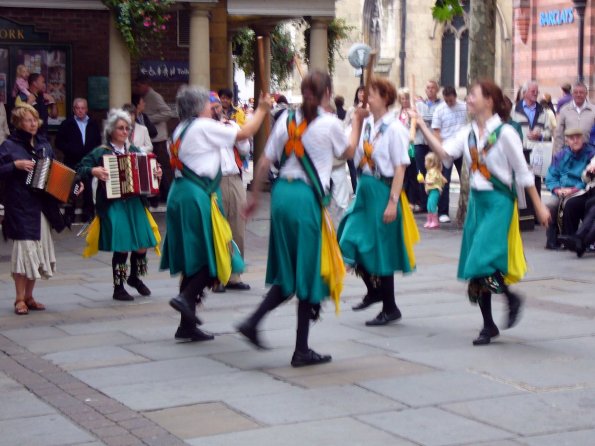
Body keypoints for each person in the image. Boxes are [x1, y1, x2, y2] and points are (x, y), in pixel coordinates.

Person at [236, 70, 363, 366]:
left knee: (292, 271)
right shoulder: (330, 124)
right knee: (306, 270)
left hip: (281, 197)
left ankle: (256, 323)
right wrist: (356, 121)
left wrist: (254, 196)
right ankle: (299, 348)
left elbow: (265, 161)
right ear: (327, 94)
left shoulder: (286, 120)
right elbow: (347, 152)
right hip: (306, 199)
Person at [412, 80, 551, 346]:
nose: (469, 98)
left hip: (498, 203)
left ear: (489, 100)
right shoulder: (468, 133)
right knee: (476, 268)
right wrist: (422, 126)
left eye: (474, 94)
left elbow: (523, 173)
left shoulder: (507, 133)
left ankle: (510, 299)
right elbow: (444, 153)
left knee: (480, 260)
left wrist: (540, 206)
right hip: (476, 202)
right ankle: (490, 324)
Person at [161, 85, 271, 342]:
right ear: (198, 107)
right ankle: (186, 298)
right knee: (214, 252)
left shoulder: (181, 129)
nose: (212, 107)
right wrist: (263, 109)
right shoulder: (201, 126)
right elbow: (246, 132)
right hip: (195, 196)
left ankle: (186, 324)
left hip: (182, 193)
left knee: (195, 257)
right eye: (207, 104)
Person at [339, 77, 419, 326]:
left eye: (371, 95)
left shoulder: (395, 129)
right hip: (364, 191)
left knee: (381, 249)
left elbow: (400, 168)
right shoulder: (366, 125)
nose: (366, 99)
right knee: (348, 240)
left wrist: (393, 202)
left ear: (385, 99)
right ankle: (374, 290)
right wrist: (355, 120)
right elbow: (349, 150)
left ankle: (389, 306)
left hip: (383, 192)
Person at [0, 105, 81, 315]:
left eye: (35, 119)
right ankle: (19, 299)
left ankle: (29, 296)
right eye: (28, 120)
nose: (33, 123)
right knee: (25, 250)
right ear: (18, 123)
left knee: (38, 251)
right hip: (19, 205)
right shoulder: (9, 146)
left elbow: (56, 172)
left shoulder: (44, 145)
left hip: (41, 206)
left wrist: (73, 186)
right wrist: (14, 165)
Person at [76, 109, 162, 301]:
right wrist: (93, 170)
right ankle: (119, 287)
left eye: (127, 129)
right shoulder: (101, 152)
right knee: (122, 246)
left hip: (134, 202)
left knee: (143, 244)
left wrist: (156, 174)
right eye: (121, 128)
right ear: (111, 131)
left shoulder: (135, 152)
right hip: (113, 203)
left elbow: (149, 171)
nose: (125, 132)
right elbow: (79, 168)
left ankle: (135, 277)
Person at [209, 91, 251, 291]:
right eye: (213, 106)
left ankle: (235, 275)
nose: (217, 109)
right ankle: (218, 275)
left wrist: (234, 130)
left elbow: (244, 149)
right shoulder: (202, 129)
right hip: (213, 181)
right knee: (217, 229)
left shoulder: (231, 125)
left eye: (218, 105)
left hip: (233, 178)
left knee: (238, 227)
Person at [544, 128, 595, 249]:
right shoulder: (560, 155)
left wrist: (573, 190)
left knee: (572, 203)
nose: (575, 140)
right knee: (551, 204)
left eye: (578, 137)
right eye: (572, 138)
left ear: (583, 139)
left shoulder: (590, 153)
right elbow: (551, 176)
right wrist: (557, 189)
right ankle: (552, 240)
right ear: (567, 141)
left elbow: (588, 179)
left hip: (581, 189)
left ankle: (571, 237)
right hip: (561, 189)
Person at [55, 98, 102, 222]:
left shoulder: (93, 124)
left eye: (83, 108)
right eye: (77, 108)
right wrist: (70, 149)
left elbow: (98, 142)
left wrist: (93, 155)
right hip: (72, 160)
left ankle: (88, 214)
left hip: (88, 161)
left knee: (88, 188)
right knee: (71, 187)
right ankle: (69, 214)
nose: (80, 111)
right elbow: (59, 142)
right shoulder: (67, 124)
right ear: (74, 109)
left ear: (86, 109)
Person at [134, 76, 176, 202]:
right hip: (150, 139)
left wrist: (149, 119)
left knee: (163, 167)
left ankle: (168, 193)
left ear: (145, 84)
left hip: (159, 139)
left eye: (139, 85)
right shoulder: (144, 97)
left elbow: (167, 112)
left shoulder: (154, 96)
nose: (137, 88)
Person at [431, 86, 468, 223]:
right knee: (444, 180)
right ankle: (443, 211)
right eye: (447, 101)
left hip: (462, 147)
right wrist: (441, 147)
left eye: (451, 101)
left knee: (465, 179)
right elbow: (436, 132)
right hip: (446, 148)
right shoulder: (439, 110)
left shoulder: (464, 107)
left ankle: (465, 207)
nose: (449, 103)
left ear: (455, 96)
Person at [414, 80, 443, 212]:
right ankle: (423, 203)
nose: (430, 90)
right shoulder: (419, 104)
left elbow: (437, 118)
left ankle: (435, 202)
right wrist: (422, 119)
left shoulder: (441, 105)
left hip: (433, 142)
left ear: (437, 90)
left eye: (432, 88)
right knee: (421, 172)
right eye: (428, 87)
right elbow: (416, 118)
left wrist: (423, 119)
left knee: (435, 172)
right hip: (420, 141)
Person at [560, 156, 595, 257]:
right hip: (591, 191)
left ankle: (580, 242)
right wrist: (589, 172)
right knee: (572, 204)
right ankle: (574, 239)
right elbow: (584, 177)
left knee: (593, 208)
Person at [395, 87, 423, 212]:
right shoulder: (397, 113)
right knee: (401, 174)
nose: (404, 101)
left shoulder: (413, 112)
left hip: (411, 145)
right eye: (402, 98)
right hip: (399, 146)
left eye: (406, 98)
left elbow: (415, 128)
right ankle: (402, 199)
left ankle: (412, 201)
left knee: (412, 174)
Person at [553, 82, 595, 154]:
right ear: (572, 94)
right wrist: (558, 153)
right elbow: (559, 134)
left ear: (586, 94)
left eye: (581, 92)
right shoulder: (565, 110)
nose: (578, 95)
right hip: (568, 152)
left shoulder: (593, 110)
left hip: (588, 153)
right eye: (576, 92)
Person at [15, 73, 58, 138]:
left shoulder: (43, 97)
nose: (44, 85)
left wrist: (53, 102)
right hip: (26, 137)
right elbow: (18, 119)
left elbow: (54, 116)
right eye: (42, 82)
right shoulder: (22, 97)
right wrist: (29, 103)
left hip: (43, 137)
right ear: (34, 83)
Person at [422, 152, 448, 229]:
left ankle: (434, 222)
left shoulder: (434, 171)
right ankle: (430, 221)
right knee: (429, 206)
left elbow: (432, 181)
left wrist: (424, 181)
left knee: (432, 206)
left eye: (426, 161)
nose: (424, 163)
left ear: (431, 163)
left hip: (435, 190)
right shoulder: (430, 171)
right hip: (431, 191)